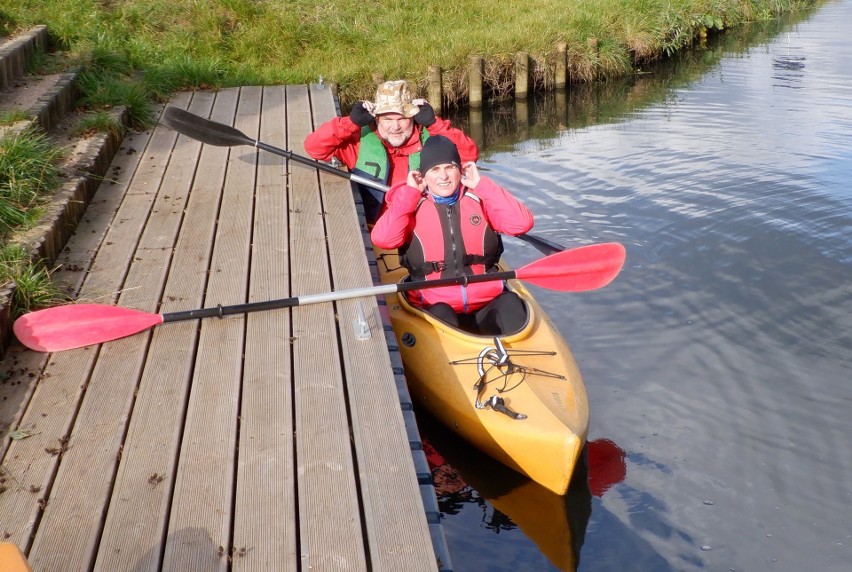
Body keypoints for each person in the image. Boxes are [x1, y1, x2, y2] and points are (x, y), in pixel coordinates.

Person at [371, 135, 533, 335]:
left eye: (450, 167)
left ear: (460, 170)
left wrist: (482, 185)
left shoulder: (479, 199)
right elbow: (383, 240)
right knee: (442, 312)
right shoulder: (412, 205)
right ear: (423, 176)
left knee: (510, 303)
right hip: (433, 302)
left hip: (487, 299)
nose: (443, 176)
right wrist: (410, 194)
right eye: (435, 169)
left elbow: (522, 223)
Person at [304, 79, 478, 223]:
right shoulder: (360, 141)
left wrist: (434, 124)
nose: (395, 126)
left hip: (423, 225)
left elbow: (469, 155)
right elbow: (314, 148)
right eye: (387, 119)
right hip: (377, 229)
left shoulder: (432, 140)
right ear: (376, 118)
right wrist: (351, 122)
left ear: (413, 118)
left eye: (402, 119)